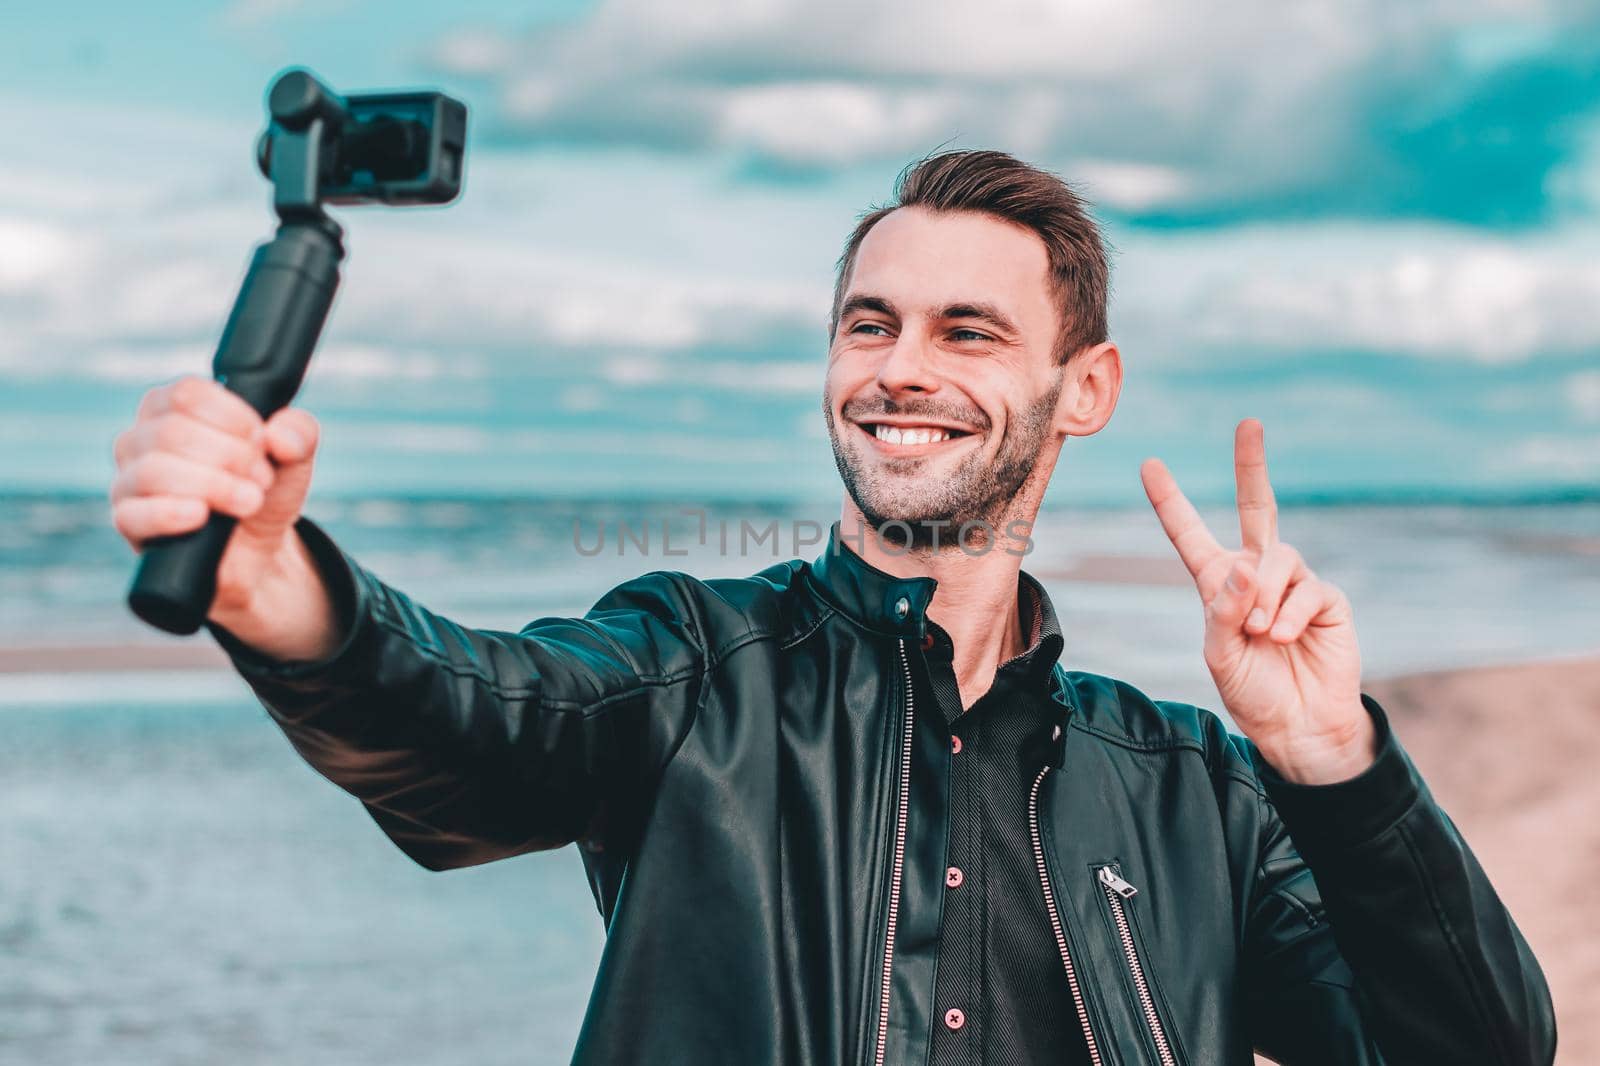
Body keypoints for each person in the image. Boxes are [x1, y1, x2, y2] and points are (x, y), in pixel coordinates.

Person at [109, 150, 1554, 1065]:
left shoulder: (1197, 791)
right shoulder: (695, 666)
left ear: (1085, 390)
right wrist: (284, 590)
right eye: (871, 323)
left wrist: (1336, 768)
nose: (899, 368)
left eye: (966, 329)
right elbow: (475, 719)